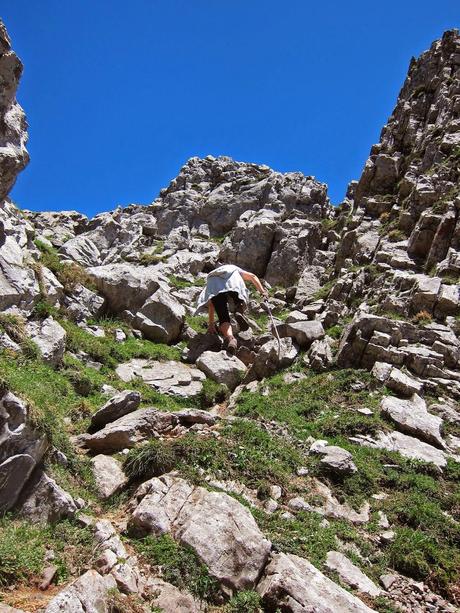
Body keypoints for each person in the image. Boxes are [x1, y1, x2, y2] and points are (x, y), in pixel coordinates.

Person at [195, 264, 268, 353]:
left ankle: (231, 339)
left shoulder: (214, 275)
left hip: (213, 284)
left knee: (223, 316)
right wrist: (262, 291)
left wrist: (211, 324)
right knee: (236, 291)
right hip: (233, 280)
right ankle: (238, 309)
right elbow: (252, 276)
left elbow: (211, 304)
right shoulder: (234, 269)